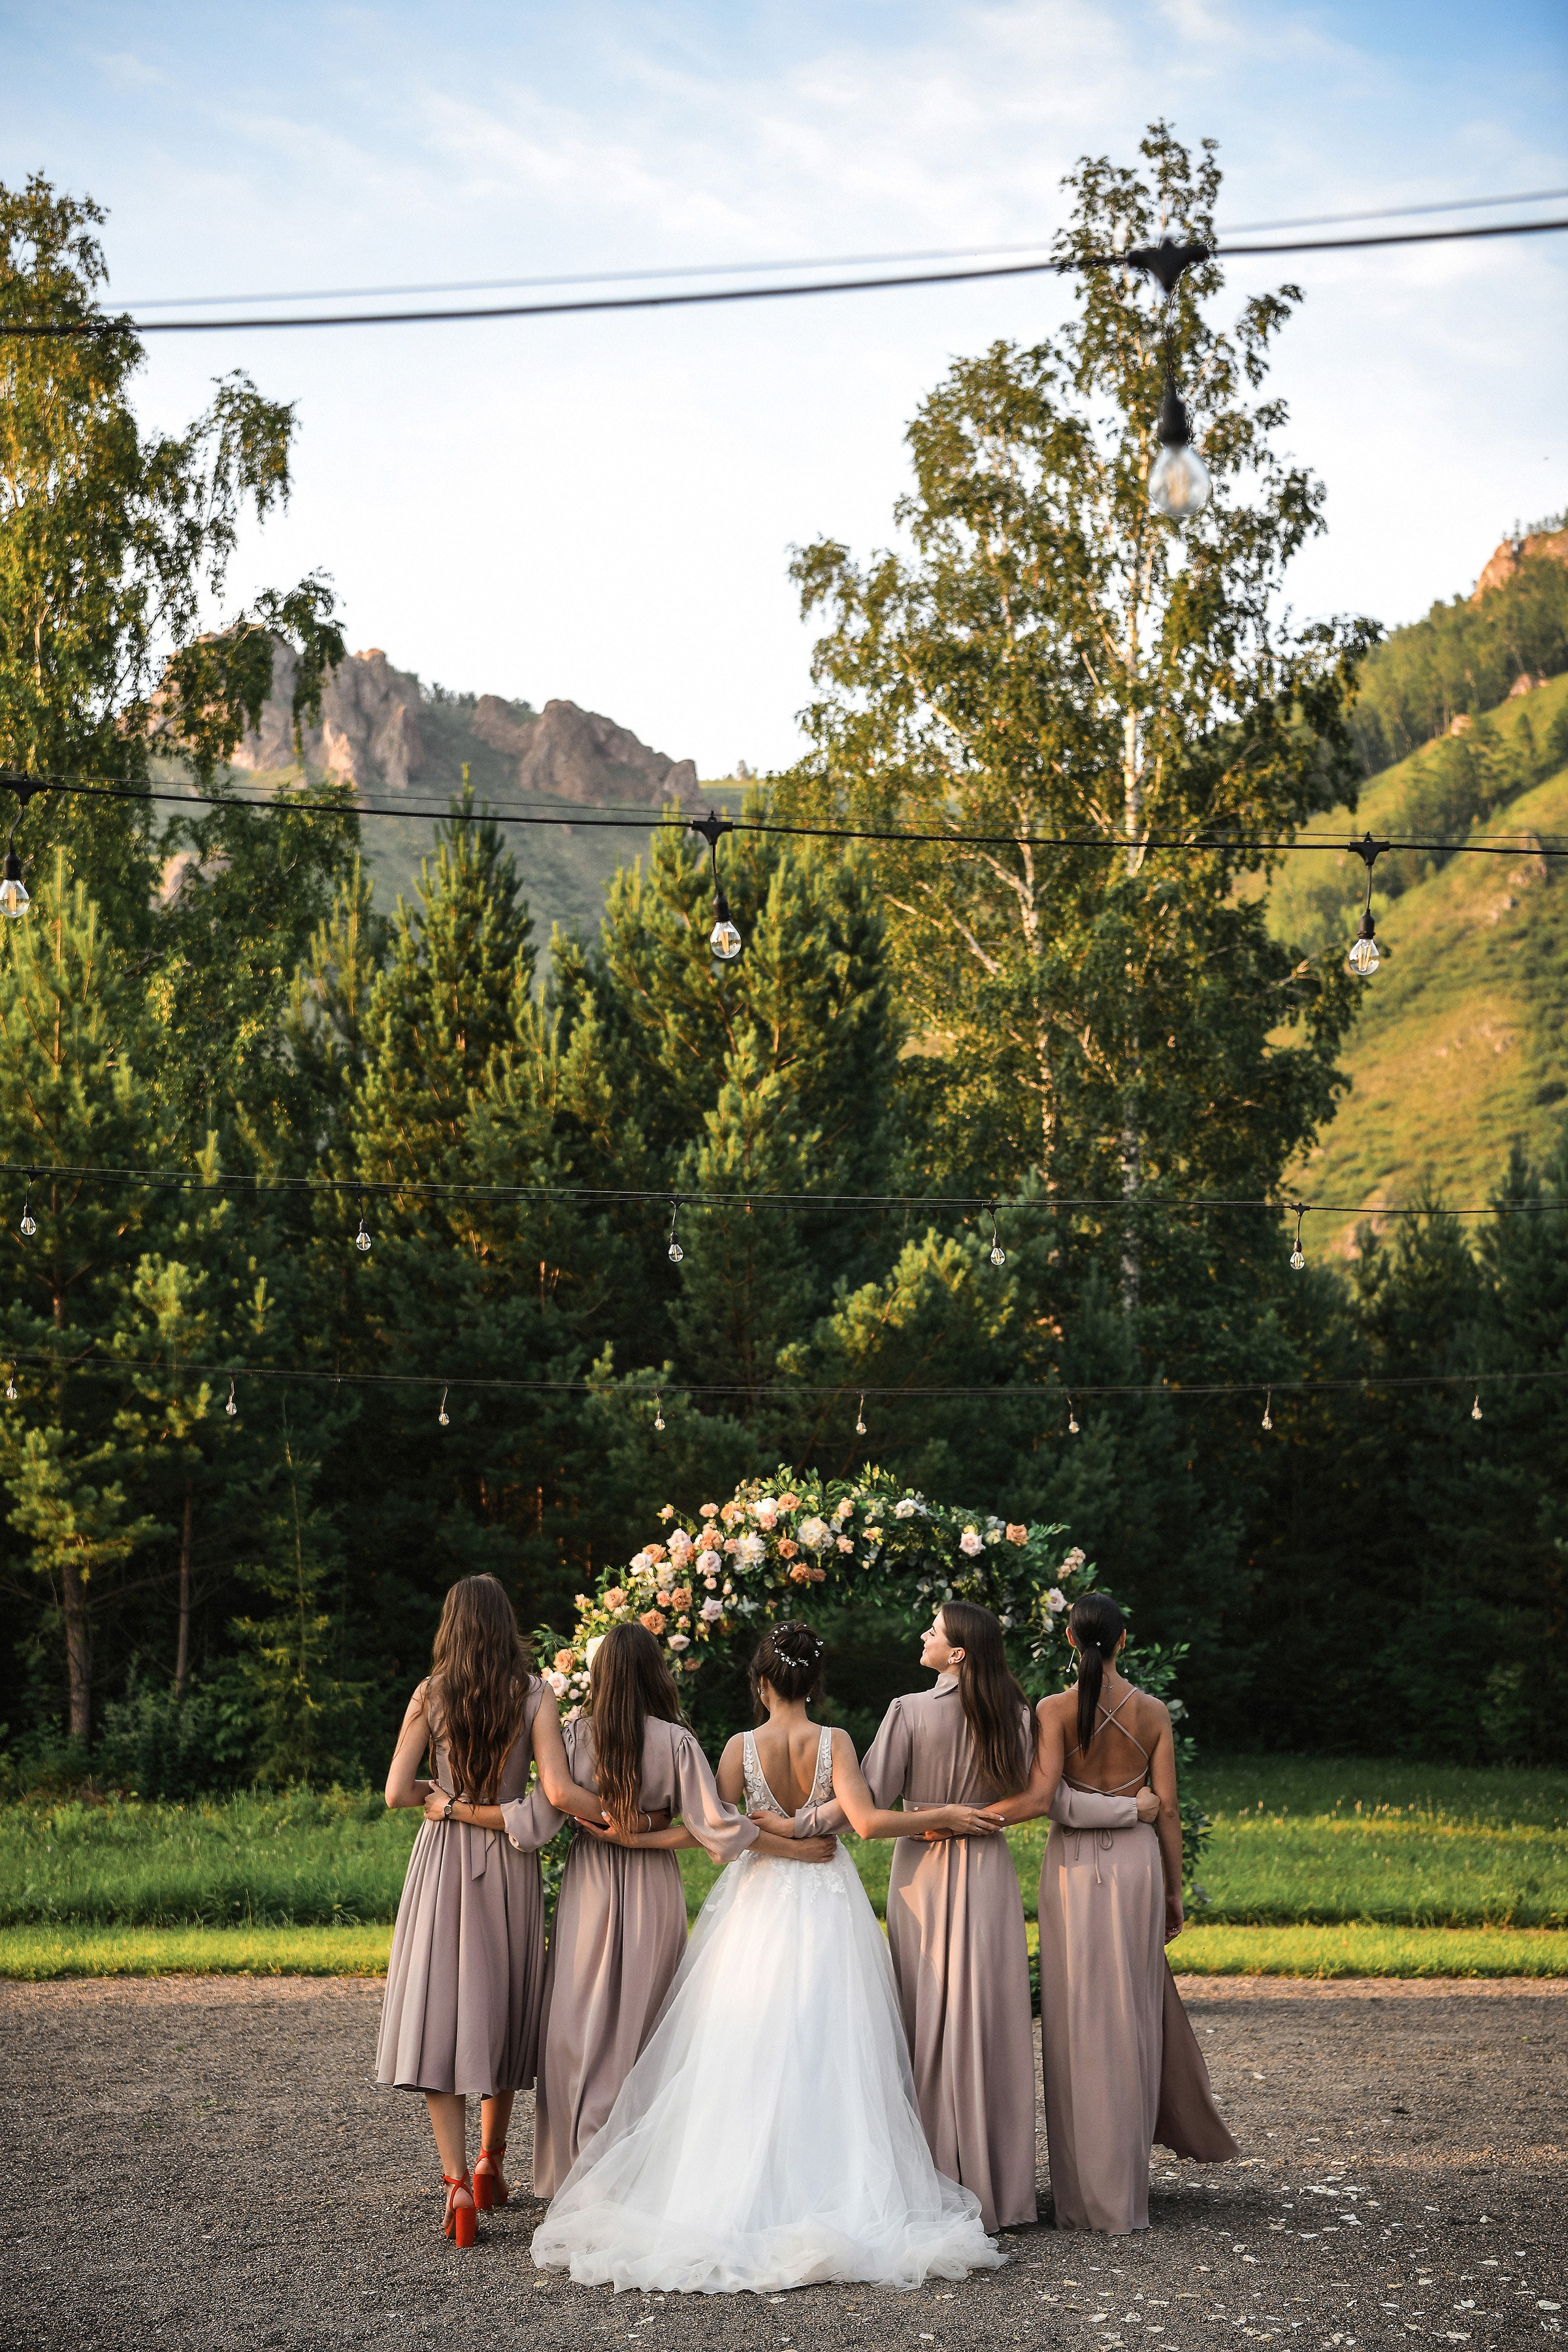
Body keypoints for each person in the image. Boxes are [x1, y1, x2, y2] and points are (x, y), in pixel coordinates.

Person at [530, 1620, 1007, 2294]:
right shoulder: (836, 1742)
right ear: (815, 1682)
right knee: (830, 2042)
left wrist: (646, 1840)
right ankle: (832, 2180)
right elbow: (864, 1821)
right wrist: (931, 1816)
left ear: (760, 1684)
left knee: (743, 2037)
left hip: (755, 1903)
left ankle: (733, 2182)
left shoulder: (738, 1747)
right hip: (828, 1899)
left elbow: (710, 1827)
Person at [764, 1601, 1153, 2232]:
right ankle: (1000, 2191)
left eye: (934, 1630)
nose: (923, 1634)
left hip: (922, 1873)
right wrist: (1126, 1810)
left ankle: (929, 2180)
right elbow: (1043, 1798)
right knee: (992, 2021)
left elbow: (862, 1801)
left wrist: (797, 1825)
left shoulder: (908, 1711)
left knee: (926, 2018)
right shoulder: (1016, 1715)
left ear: (957, 1652)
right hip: (989, 1872)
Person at [515, 1622, 827, 2197]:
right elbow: (717, 1826)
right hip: (651, 1885)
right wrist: (794, 1847)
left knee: (575, 2022)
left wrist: (465, 1811)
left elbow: (540, 1814)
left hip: (590, 1881)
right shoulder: (676, 1742)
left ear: (601, 1675)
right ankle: (635, 2172)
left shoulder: (573, 1738)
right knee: (649, 2023)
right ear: (656, 1672)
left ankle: (574, 2171)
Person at [376, 1573, 611, 2246]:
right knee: (501, 2002)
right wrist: (620, 1811)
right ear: (506, 1623)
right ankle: (490, 2163)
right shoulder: (535, 1693)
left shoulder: (431, 1693)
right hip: (508, 1861)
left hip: (443, 1860)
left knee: (443, 2010)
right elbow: (554, 1793)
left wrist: (444, 1797)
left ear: (451, 1625)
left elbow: (395, 1792)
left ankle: (455, 2185)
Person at [1002, 1591, 1236, 2233]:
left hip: (1073, 1869)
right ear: (1124, 1641)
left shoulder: (1052, 1710)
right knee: (1132, 2014)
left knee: (1076, 2016)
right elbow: (1169, 1808)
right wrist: (1174, 1891)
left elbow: (1047, 1797)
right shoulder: (1152, 1711)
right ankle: (1127, 2190)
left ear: (1070, 1640)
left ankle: (1082, 2197)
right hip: (1137, 1864)